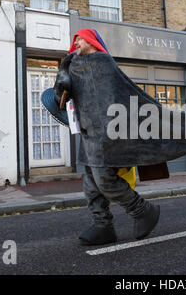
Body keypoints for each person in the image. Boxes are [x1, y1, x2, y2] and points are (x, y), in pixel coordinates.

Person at [54, 29, 160, 246]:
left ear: (91, 41)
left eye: (80, 39)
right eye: (75, 40)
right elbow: (61, 100)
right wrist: (62, 80)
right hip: (87, 133)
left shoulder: (104, 62)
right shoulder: (73, 66)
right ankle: (103, 226)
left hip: (106, 134)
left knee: (105, 180)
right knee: (90, 183)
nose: (76, 43)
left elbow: (121, 94)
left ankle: (143, 211)